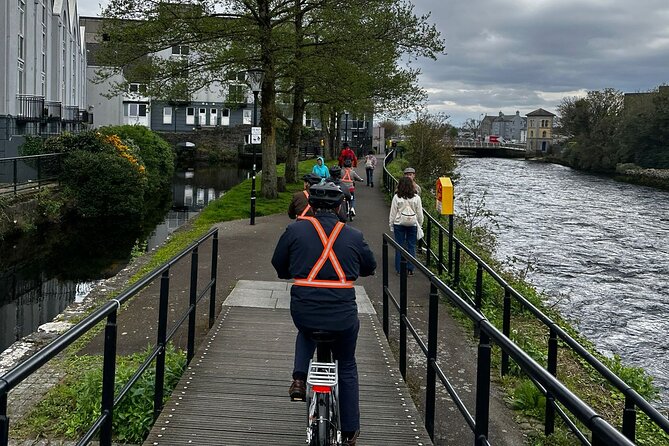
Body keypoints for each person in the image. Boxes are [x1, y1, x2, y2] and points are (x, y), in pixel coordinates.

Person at [272, 182, 377, 446]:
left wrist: (292, 273)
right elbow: (369, 266)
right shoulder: (353, 235)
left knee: (306, 329)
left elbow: (278, 263)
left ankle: (298, 378)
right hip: (342, 314)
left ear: (312, 205)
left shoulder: (295, 230)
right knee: (347, 364)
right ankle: (351, 431)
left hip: (304, 309)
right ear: (340, 206)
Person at [388, 176, 424, 276]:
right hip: (412, 224)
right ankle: (410, 269)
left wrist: (391, 225)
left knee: (399, 246)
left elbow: (393, 212)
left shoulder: (397, 197)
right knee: (411, 246)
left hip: (399, 223)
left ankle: (399, 270)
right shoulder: (417, 198)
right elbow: (420, 214)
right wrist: (419, 224)